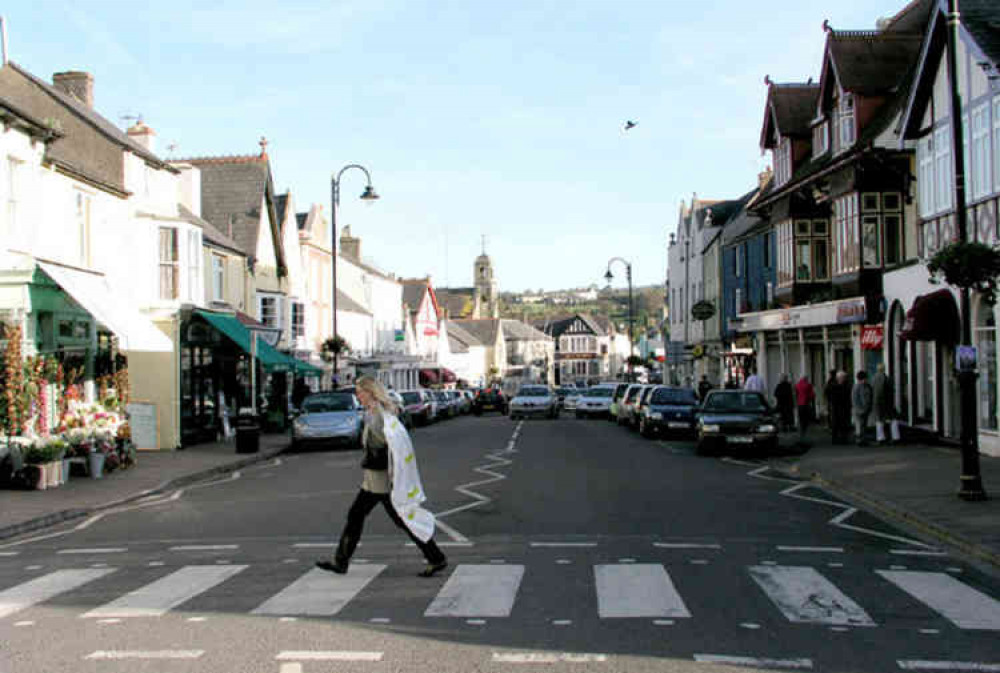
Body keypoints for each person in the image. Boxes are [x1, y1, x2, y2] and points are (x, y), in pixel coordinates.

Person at [317, 376, 448, 577]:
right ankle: (341, 562)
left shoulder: (379, 415)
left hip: (380, 479)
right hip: (373, 478)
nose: (357, 395)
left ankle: (436, 557)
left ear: (370, 392)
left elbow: (390, 445)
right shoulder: (373, 413)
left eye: (360, 391)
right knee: (362, 516)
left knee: (391, 518)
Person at [871, 363, 896, 445]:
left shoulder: (873, 379)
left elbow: (873, 391)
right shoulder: (887, 378)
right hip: (887, 402)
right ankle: (895, 437)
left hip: (877, 403)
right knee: (892, 419)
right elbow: (890, 391)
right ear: (884, 369)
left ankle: (881, 438)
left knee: (879, 421)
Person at [851, 370, 874, 447]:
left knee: (862, 425)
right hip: (861, 410)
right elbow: (861, 398)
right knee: (862, 425)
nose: (866, 380)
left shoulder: (858, 386)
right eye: (865, 378)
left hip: (860, 409)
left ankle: (862, 439)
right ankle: (861, 440)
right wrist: (864, 408)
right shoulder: (860, 386)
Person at [830, 371, 853, 444]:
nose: (844, 379)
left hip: (844, 408)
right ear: (838, 378)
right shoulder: (834, 386)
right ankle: (835, 439)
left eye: (844, 378)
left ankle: (844, 438)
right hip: (837, 408)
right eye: (843, 377)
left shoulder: (847, 386)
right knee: (836, 424)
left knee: (844, 424)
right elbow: (831, 397)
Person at [795, 374, 816, 444]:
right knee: (806, 418)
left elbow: (796, 394)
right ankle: (804, 430)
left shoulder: (797, 385)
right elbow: (812, 395)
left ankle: (801, 429)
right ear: (806, 379)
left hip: (799, 404)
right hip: (806, 404)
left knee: (801, 417)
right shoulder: (808, 385)